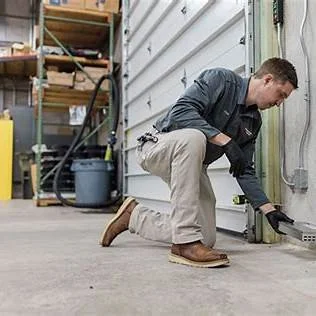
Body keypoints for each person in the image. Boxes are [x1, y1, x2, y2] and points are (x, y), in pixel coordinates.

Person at [99, 57, 297, 268]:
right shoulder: (221, 79)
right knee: (195, 137)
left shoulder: (253, 121)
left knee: (205, 236)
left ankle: (135, 217)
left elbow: (244, 169)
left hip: (193, 163)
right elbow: (181, 112)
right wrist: (224, 140)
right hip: (157, 147)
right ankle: (184, 245)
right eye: (281, 95)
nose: (279, 104)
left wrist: (269, 210)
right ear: (267, 80)